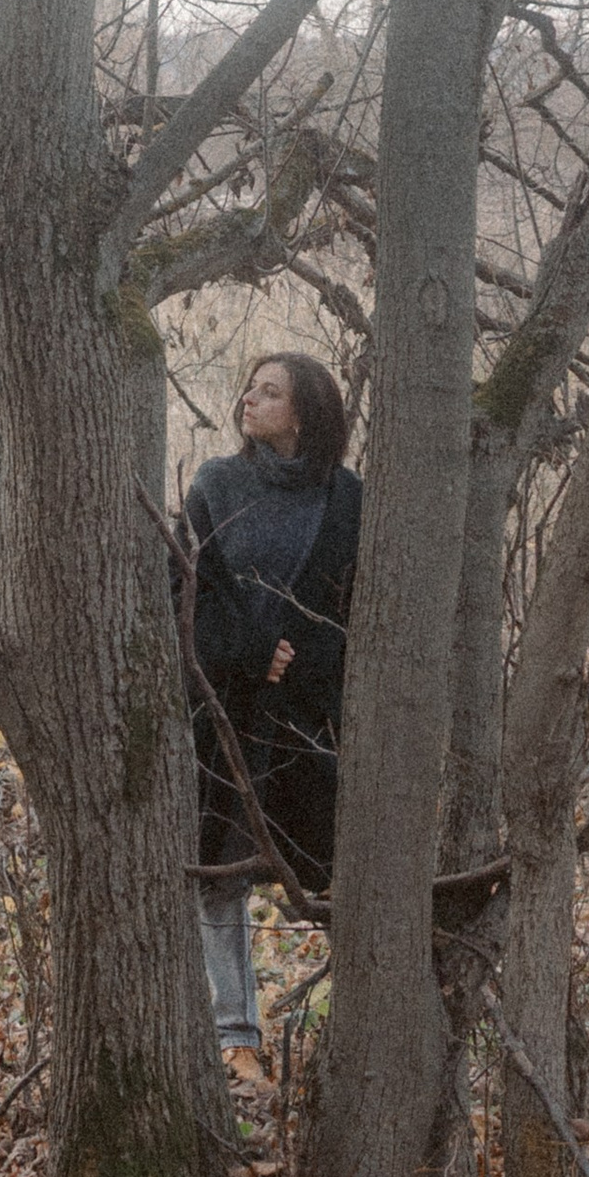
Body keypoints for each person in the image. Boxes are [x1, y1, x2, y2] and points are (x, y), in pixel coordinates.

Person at [179, 350, 360, 1065]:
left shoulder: (348, 497)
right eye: (249, 388)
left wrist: (307, 657)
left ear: (306, 411)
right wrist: (249, 648)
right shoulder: (217, 485)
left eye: (270, 391)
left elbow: (359, 602)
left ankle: (346, 1031)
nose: (249, 399)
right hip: (228, 706)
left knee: (327, 864)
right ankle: (235, 1039)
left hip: (315, 714)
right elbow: (187, 585)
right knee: (220, 870)